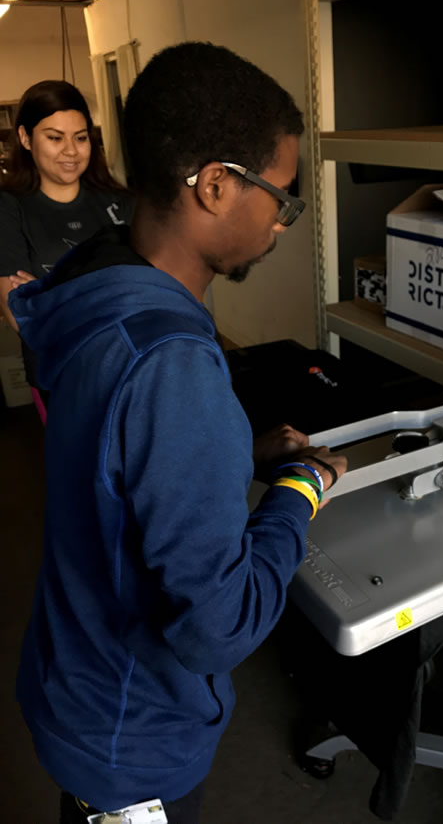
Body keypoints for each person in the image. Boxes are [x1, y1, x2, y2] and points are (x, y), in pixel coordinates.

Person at [9, 42, 346, 824]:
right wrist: (300, 490)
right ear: (218, 186)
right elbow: (215, 626)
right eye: (282, 198)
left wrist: (236, 453)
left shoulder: (102, 290)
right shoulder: (175, 366)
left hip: (77, 677)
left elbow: (114, 457)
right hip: (133, 737)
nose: (282, 223)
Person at [0, 79, 134, 410]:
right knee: (82, 461)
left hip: (129, 363)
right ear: (25, 138)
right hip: (59, 373)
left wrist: (49, 296)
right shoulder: (9, 207)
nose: (71, 151)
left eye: (81, 137)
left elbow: (144, 289)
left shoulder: (120, 203)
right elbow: (15, 307)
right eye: (55, 138)